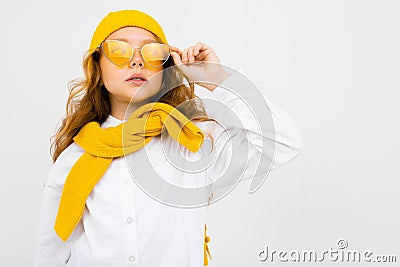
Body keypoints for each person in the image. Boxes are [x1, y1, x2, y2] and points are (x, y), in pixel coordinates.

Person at [33, 9, 303, 267]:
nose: (136, 60)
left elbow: (285, 142)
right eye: (119, 50)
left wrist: (217, 79)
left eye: (151, 52)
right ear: (98, 69)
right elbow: (50, 254)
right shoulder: (74, 159)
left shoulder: (194, 142)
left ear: (165, 69)